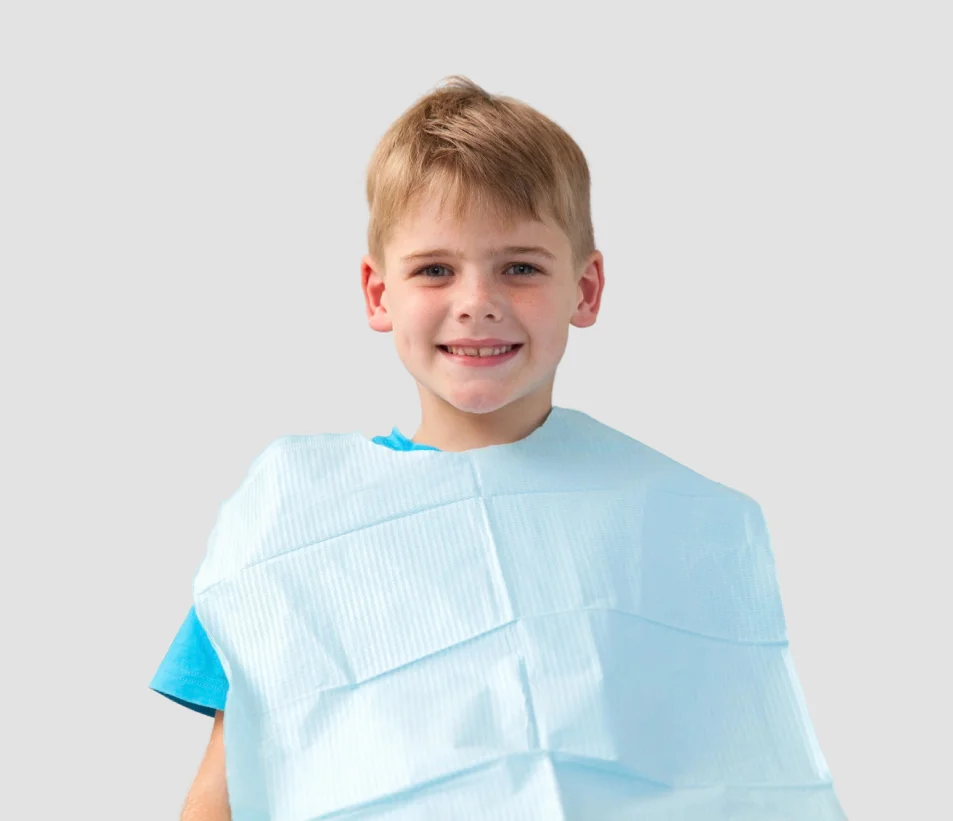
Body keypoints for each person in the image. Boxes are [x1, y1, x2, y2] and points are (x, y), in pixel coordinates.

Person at [150, 75, 845, 820]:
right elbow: (229, 784)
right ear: (378, 293)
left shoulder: (671, 529)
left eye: (519, 267)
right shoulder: (295, 522)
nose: (476, 299)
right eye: (434, 269)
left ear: (586, 287)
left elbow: (740, 775)